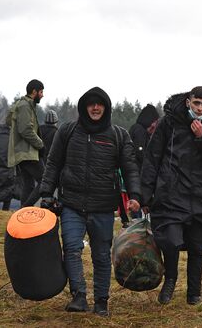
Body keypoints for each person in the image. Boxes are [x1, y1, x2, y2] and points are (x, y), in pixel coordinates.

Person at [40, 87, 141, 317]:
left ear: (106, 108)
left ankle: (102, 301)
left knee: (101, 255)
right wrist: (46, 192)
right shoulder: (67, 131)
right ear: (84, 107)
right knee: (72, 249)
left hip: (104, 206)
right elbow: (53, 163)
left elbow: (130, 168)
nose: (95, 108)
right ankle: (78, 296)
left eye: (100, 104)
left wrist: (135, 196)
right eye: (91, 104)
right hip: (71, 203)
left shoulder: (118, 135)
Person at [140, 86, 202, 306]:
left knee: (196, 247)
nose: (199, 108)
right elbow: (152, 159)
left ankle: (194, 293)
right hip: (172, 194)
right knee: (170, 241)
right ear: (188, 102)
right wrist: (145, 195)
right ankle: (170, 279)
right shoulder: (168, 124)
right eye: (196, 103)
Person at [7, 79, 45, 207]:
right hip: (26, 152)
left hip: (23, 152)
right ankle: (25, 208)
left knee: (28, 184)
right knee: (44, 180)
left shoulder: (23, 105)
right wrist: (40, 144)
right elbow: (25, 130)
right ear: (34, 91)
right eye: (41, 92)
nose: (42, 95)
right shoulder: (24, 106)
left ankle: (24, 215)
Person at [129, 104, 160, 171]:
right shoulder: (139, 130)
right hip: (137, 172)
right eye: (155, 122)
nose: (155, 125)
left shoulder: (139, 129)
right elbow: (140, 152)